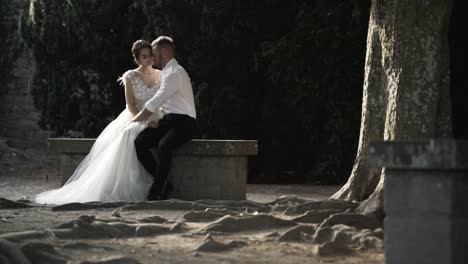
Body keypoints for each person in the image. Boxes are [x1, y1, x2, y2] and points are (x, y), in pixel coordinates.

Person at [35, 40, 162, 205]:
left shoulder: (161, 74)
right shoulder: (130, 76)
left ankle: (158, 184)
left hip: (158, 115)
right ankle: (129, 186)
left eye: (151, 55)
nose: (149, 59)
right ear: (137, 59)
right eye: (144, 56)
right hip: (136, 115)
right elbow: (130, 105)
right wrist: (144, 120)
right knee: (128, 134)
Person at [132, 36, 196, 201]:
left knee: (164, 145)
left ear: (164, 51)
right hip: (169, 120)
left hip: (185, 123)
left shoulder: (176, 73)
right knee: (140, 142)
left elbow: (155, 101)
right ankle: (164, 183)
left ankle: (156, 192)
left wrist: (135, 120)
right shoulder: (166, 72)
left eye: (154, 53)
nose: (152, 58)